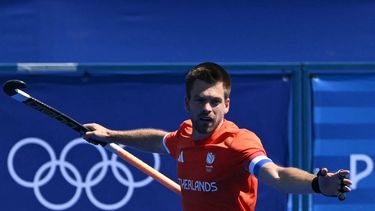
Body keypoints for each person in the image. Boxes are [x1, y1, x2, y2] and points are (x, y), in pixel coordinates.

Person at [83, 62, 352, 211]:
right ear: (188, 103)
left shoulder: (239, 142)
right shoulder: (184, 135)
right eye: (200, 100)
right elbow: (160, 140)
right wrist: (111, 135)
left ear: (227, 105)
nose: (207, 109)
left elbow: (277, 176)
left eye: (214, 101)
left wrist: (317, 185)